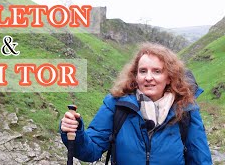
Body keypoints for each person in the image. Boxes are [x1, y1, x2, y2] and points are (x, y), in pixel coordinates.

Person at [60, 43, 212, 165]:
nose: (148, 77)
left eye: (157, 71)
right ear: (136, 76)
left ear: (169, 78)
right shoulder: (117, 105)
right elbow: (90, 151)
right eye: (143, 71)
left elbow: (200, 158)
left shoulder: (186, 109)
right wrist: (76, 131)